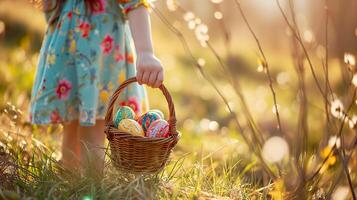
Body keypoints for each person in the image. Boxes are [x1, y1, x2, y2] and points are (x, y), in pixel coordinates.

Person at [29, 0, 164, 175]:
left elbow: (135, 3)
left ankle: (93, 182)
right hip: (67, 52)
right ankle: (69, 181)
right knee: (71, 125)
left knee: (94, 128)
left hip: (101, 55)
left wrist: (145, 52)